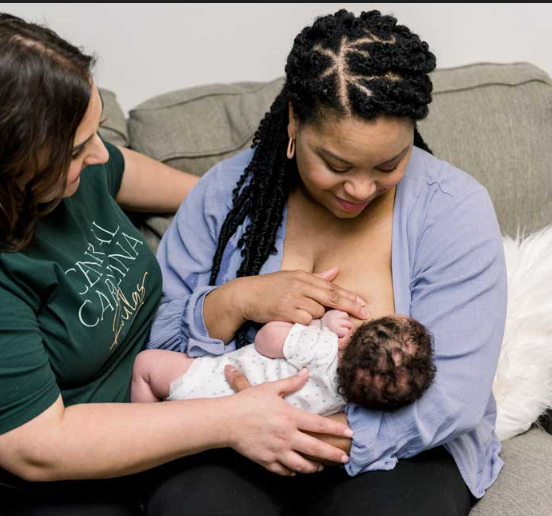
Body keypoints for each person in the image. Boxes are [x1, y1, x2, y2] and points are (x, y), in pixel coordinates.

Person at [0, 12, 355, 516]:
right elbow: (42, 446)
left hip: (66, 428)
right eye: (79, 147)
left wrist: (242, 206)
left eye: (94, 134)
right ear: (7, 161)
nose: (99, 154)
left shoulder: (58, 174)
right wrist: (234, 420)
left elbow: (124, 171)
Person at [145, 9, 507, 516]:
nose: (360, 189)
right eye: (336, 165)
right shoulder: (226, 195)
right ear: (294, 119)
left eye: (389, 164)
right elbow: (151, 340)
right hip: (230, 439)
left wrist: (306, 437)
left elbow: (455, 395)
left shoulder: (453, 209)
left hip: (402, 450)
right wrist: (238, 299)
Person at [132, 311, 436, 416]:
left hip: (208, 381)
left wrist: (322, 324)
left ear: (354, 335)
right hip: (228, 430)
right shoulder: (345, 401)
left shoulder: (322, 347)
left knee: (145, 365)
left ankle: (148, 428)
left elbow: (267, 339)